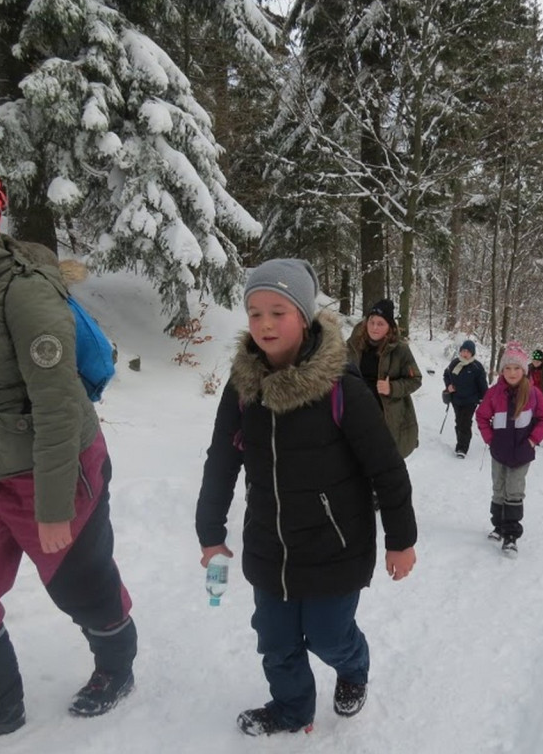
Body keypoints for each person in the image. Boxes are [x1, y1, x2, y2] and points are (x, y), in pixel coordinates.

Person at [0, 165, 136, 747]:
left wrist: (55, 504)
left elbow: (59, 405)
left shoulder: (25, 293)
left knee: (81, 589)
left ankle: (116, 667)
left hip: (55, 470)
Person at [195, 259, 418, 737]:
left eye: (278, 311)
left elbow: (386, 466)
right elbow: (221, 459)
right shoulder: (242, 385)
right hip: (269, 542)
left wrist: (401, 539)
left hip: (335, 544)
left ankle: (353, 668)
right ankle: (293, 708)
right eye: (254, 313)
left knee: (328, 636)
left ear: (304, 315)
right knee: (275, 641)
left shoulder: (340, 385)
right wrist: (210, 532)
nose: (265, 324)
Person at [475, 341, 543, 554]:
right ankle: (498, 527)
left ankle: (511, 535)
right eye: (507, 368)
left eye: (516, 368)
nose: (512, 372)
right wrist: (490, 439)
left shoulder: (533, 394)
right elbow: (481, 416)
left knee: (514, 492)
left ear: (524, 370)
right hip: (499, 452)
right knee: (498, 490)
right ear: (502, 370)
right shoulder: (494, 393)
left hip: (522, 453)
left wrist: (532, 440)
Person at [345, 298, 422, 458]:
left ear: (389, 327)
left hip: (386, 420)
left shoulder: (400, 350)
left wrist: (392, 388)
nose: (374, 327)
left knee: (383, 464)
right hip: (356, 415)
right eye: (372, 322)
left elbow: (416, 379)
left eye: (380, 323)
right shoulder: (352, 346)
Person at [442, 339, 488, 457]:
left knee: (465, 423)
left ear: (472, 353)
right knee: (458, 421)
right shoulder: (454, 363)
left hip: (470, 400)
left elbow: (482, 384)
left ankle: (462, 448)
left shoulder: (477, 367)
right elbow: (446, 375)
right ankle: (460, 442)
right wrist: (449, 386)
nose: (465, 354)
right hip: (456, 399)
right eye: (463, 351)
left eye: (467, 351)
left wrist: (484, 399)